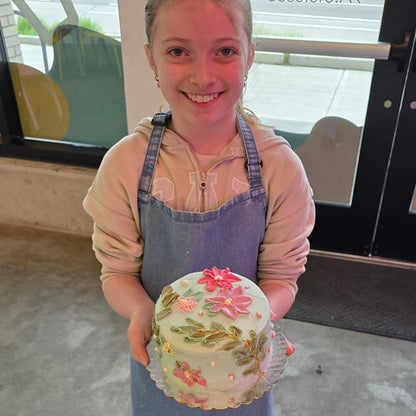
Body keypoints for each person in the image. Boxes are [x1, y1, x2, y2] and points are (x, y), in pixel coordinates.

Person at [83, 0, 315, 414]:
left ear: (249, 56)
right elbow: (117, 271)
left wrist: (257, 325)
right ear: (150, 59)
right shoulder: (125, 165)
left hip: (243, 369)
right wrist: (141, 310)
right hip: (164, 359)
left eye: (224, 51)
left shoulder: (279, 168)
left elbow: (282, 276)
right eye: (177, 51)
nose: (202, 75)